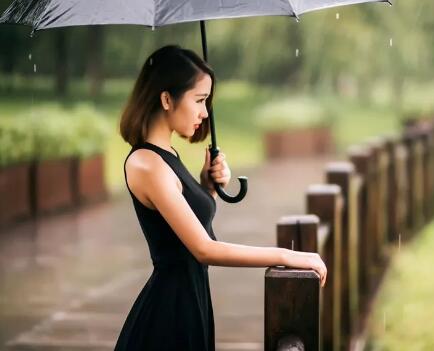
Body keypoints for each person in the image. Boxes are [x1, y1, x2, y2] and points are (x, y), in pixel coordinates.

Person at [115, 45, 327, 350]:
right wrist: (286, 255)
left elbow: (187, 229)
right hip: (168, 316)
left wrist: (207, 188)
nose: (204, 112)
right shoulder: (147, 164)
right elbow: (203, 248)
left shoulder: (167, 156)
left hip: (190, 300)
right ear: (165, 99)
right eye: (199, 100)